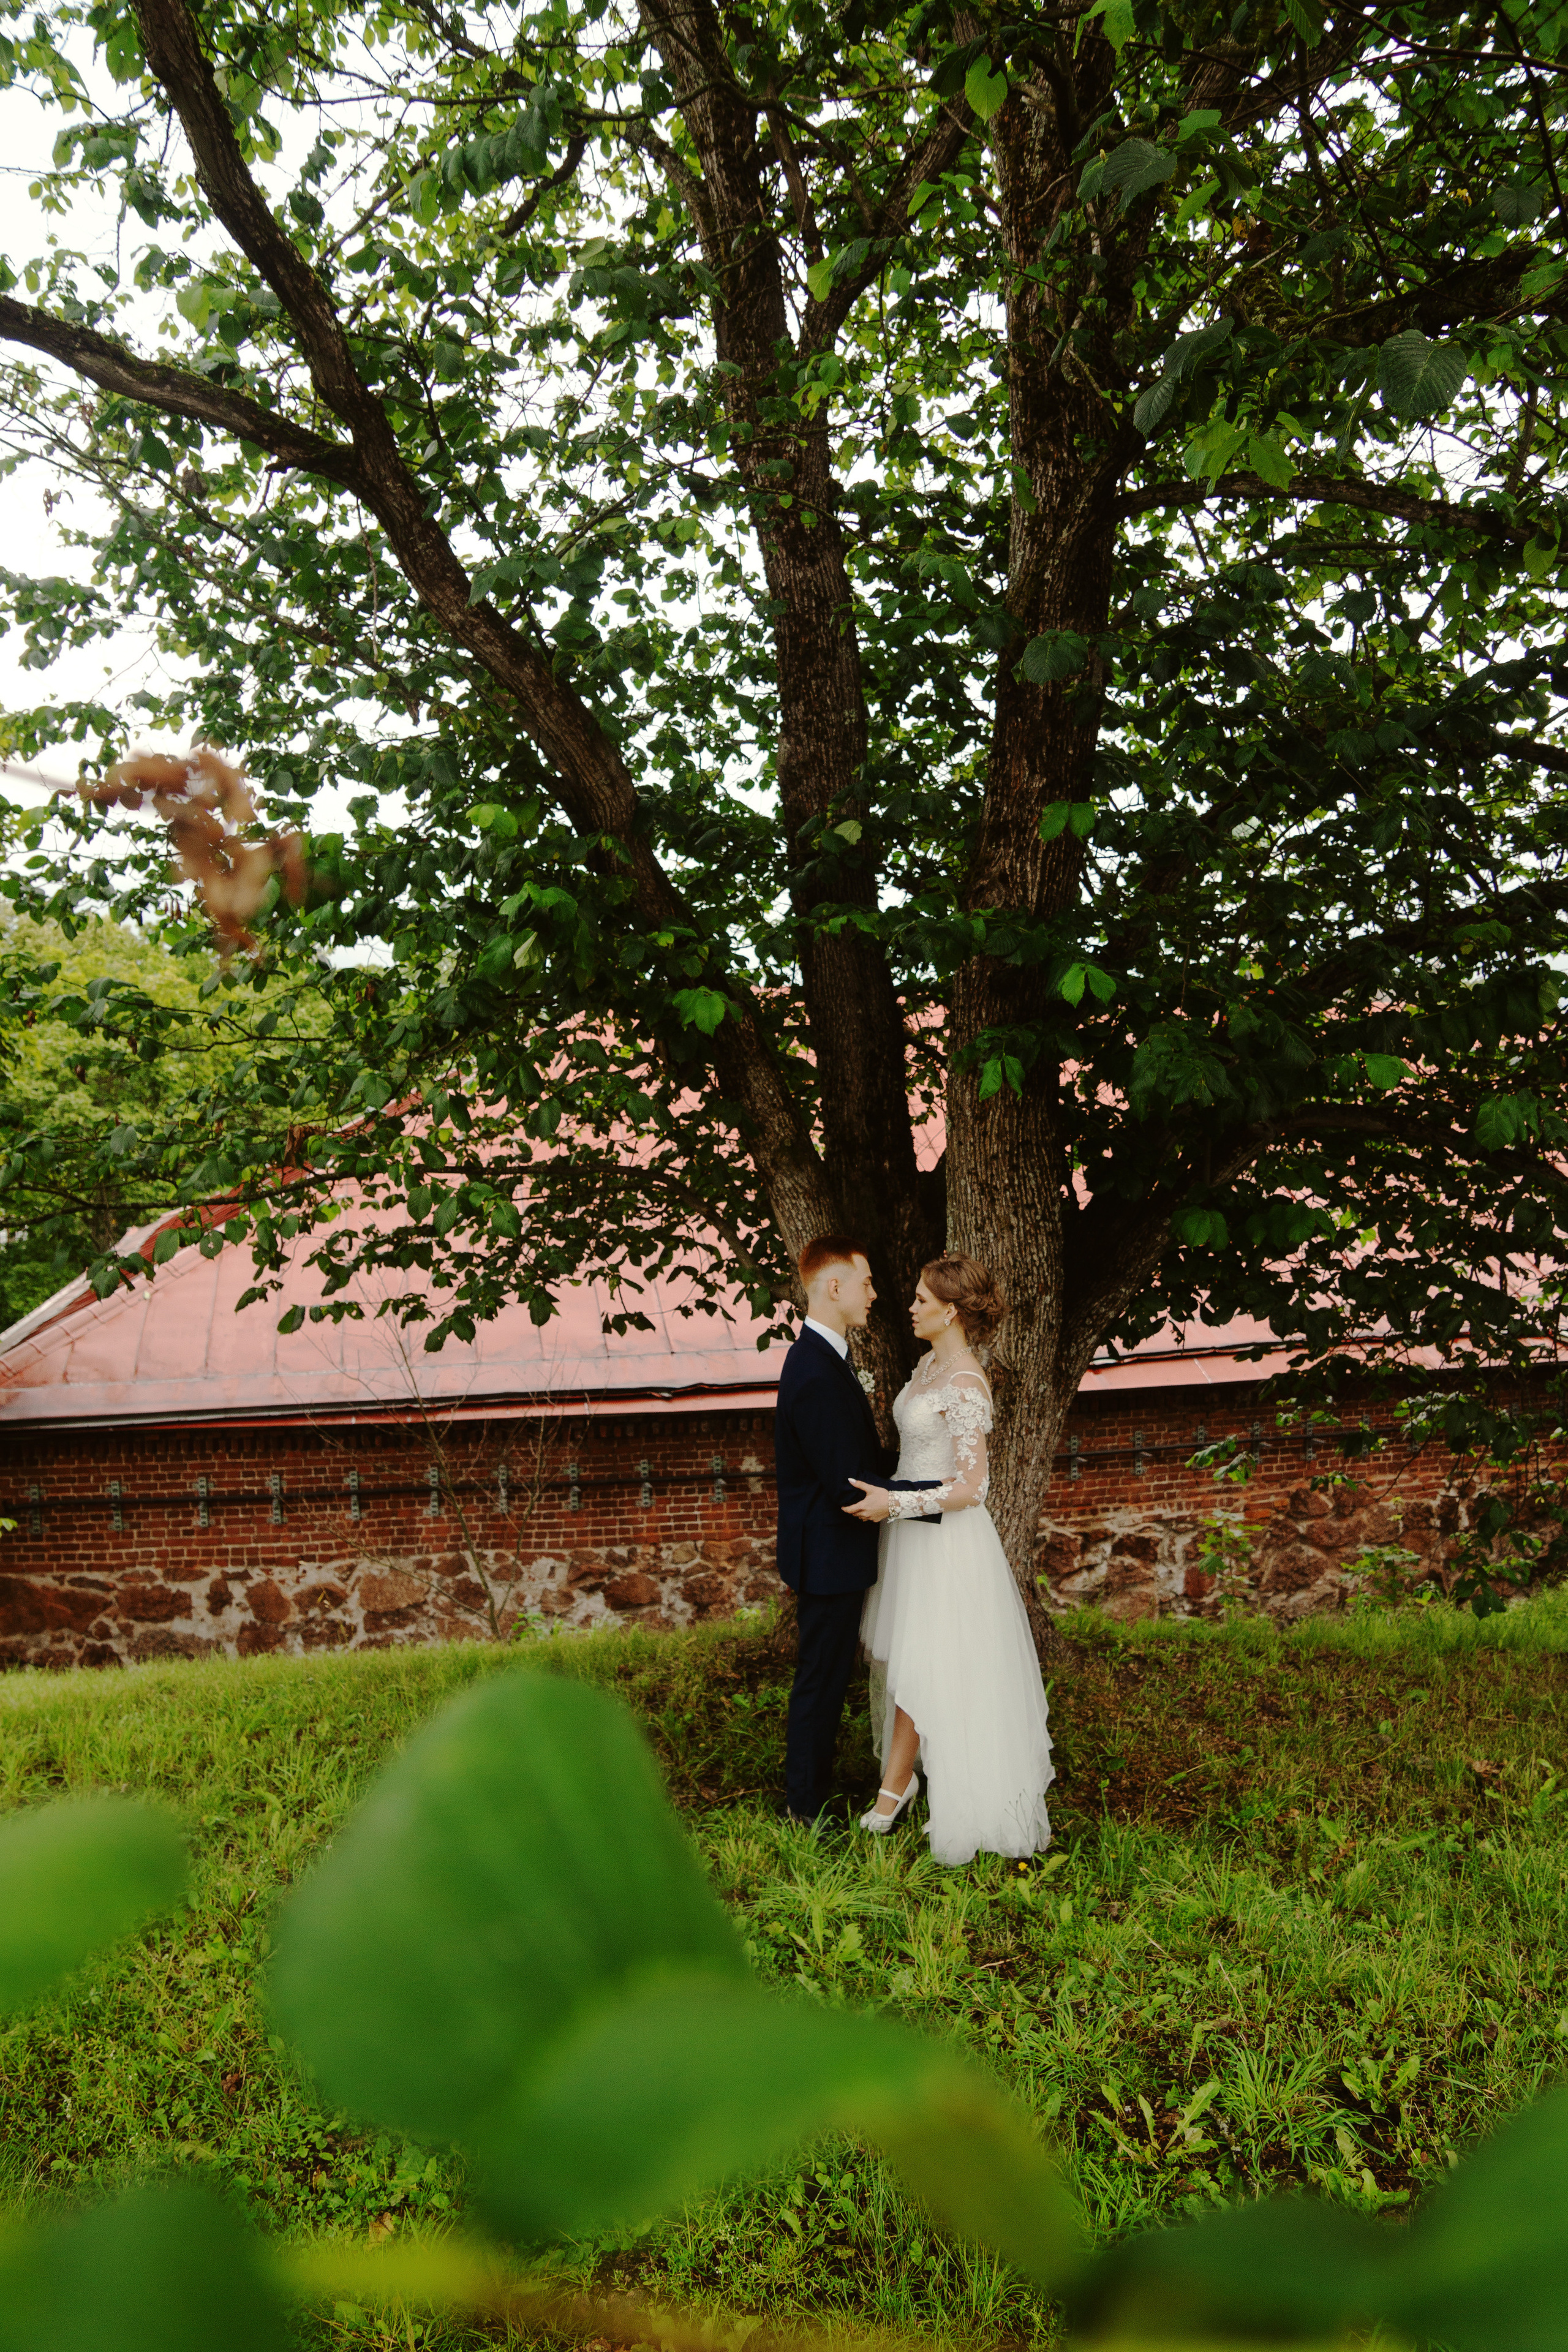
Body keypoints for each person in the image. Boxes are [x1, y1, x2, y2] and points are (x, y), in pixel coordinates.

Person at [845, 1251, 1054, 1866]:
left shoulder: (964, 1382)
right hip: (909, 1533)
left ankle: (896, 1791)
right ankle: (900, 1779)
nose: (909, 1307)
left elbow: (972, 1488)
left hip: (944, 1541)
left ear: (951, 1310)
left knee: (929, 1661)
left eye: (920, 1300)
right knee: (903, 1655)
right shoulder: (927, 1364)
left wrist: (895, 1505)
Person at [772, 1236, 940, 1825]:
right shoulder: (816, 1372)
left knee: (825, 1674)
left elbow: (856, 1457)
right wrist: (944, 1496)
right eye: (866, 1283)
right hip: (826, 1552)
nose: (875, 1294)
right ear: (834, 1287)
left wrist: (925, 1475)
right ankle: (805, 1811)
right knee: (821, 1679)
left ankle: (809, 1796)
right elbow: (849, 1487)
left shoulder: (827, 1360)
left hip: (828, 1550)